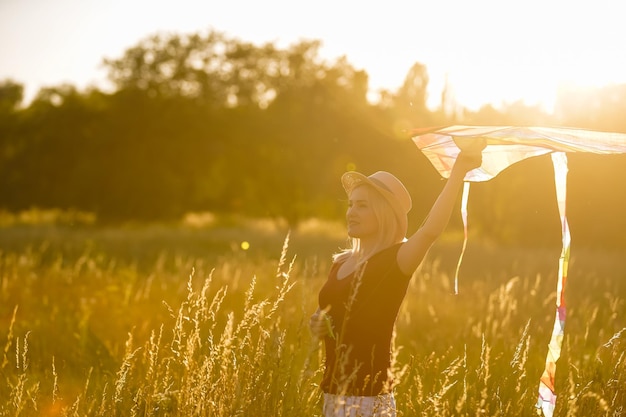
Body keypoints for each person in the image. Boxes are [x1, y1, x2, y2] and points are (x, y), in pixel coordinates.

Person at [309, 151, 482, 417]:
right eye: (351, 204)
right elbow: (336, 314)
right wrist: (318, 321)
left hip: (368, 401)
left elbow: (430, 231)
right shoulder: (341, 262)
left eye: (363, 206)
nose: (352, 212)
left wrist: (457, 172)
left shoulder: (396, 261)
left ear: (383, 213)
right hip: (332, 395)